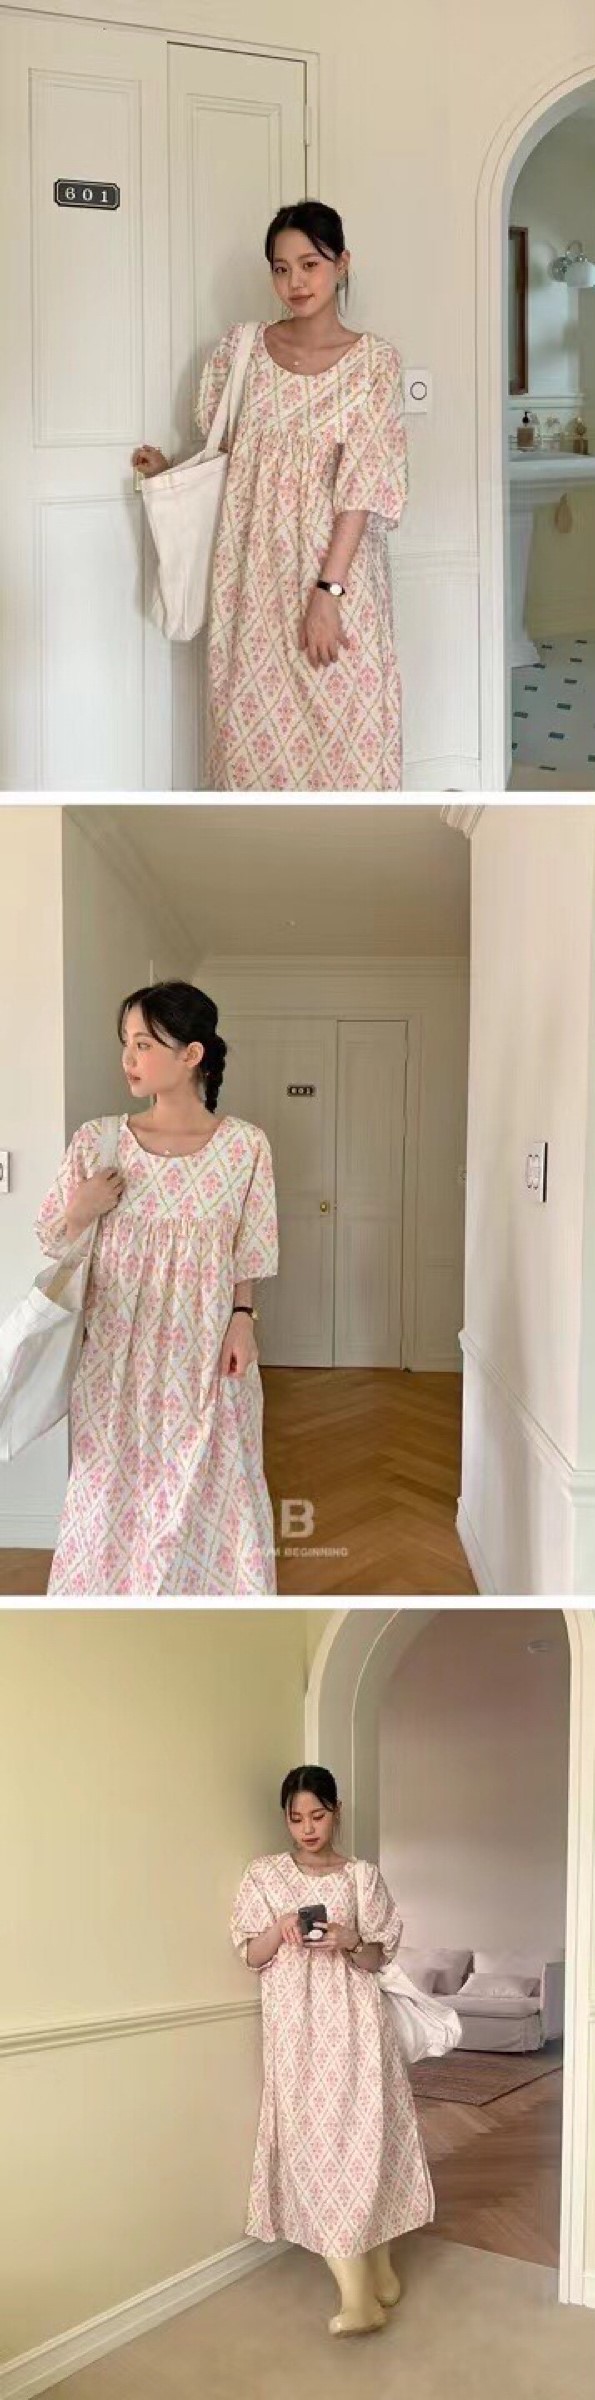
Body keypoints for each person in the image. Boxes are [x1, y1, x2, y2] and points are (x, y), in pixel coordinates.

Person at [133, 200, 407, 792]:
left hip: (335, 579)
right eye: (281, 269)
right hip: (251, 583)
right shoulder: (242, 352)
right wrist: (169, 473)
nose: (295, 282)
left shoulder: (374, 364)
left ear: (342, 264)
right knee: (248, 750)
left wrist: (328, 592)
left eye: (310, 264)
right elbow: (234, 460)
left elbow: (362, 487)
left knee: (351, 738)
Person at [36, 982, 278, 1597]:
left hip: (207, 1357)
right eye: (125, 1042)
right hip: (116, 1359)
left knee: (220, 1491)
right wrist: (83, 1207)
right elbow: (51, 1239)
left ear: (191, 1054)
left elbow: (249, 1247)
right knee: (109, 1491)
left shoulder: (245, 1147)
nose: (128, 1058)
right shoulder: (98, 1141)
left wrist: (243, 1318)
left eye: (144, 1044)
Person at [230, 1764, 434, 2337]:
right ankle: (363, 2289)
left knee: (370, 2141)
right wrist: (280, 1927)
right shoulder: (264, 1874)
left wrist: (350, 1939)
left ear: (336, 1811)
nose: (307, 1828)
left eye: (317, 1815)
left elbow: (376, 1959)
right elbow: (250, 1955)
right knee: (318, 2150)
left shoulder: (363, 1877)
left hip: (359, 2028)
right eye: (296, 1818)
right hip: (297, 2035)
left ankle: (376, 2276)